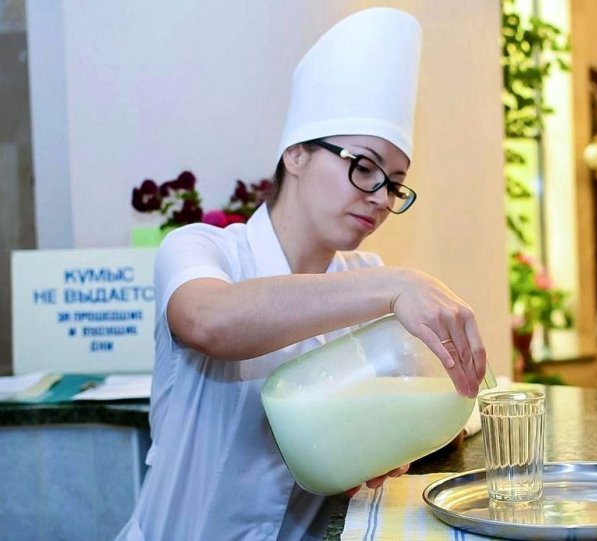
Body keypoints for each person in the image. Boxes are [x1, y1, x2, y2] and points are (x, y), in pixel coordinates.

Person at [116, 7, 487, 541]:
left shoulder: (365, 276)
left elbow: (369, 432)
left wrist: (380, 447)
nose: (380, 198)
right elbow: (207, 322)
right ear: (295, 154)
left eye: (394, 183)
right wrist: (396, 285)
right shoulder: (203, 249)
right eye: (364, 166)